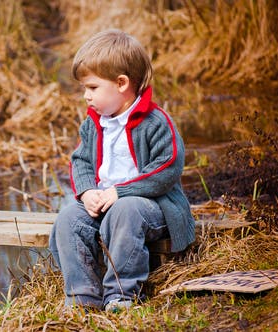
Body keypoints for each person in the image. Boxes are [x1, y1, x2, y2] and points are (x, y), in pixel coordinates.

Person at [49, 29, 195, 313]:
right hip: (105, 200)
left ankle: (121, 296)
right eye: (84, 89)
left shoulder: (155, 121)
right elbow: (80, 161)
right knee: (68, 218)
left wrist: (121, 192)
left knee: (125, 210)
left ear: (121, 83)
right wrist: (88, 190)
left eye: (92, 88)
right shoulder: (94, 123)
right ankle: (83, 296)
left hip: (153, 206)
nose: (85, 96)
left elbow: (167, 168)